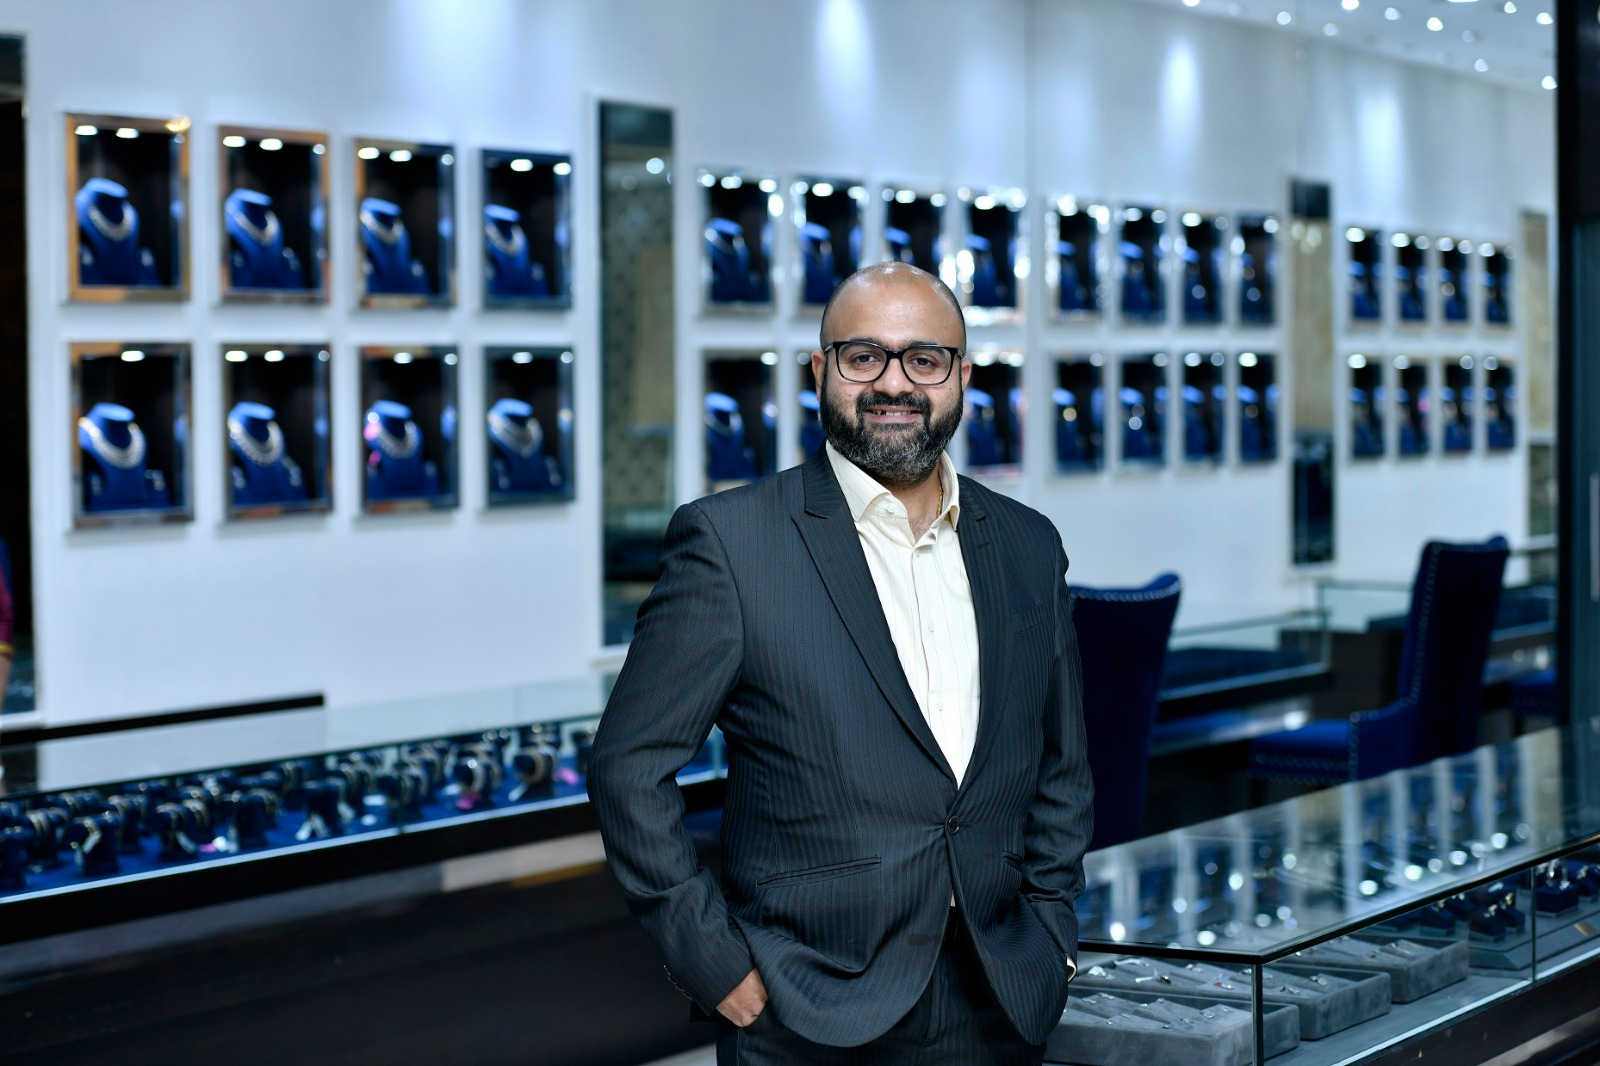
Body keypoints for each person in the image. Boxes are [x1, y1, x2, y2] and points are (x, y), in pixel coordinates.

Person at [588, 262, 1093, 1065]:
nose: (894, 383)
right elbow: (628, 766)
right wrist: (714, 964)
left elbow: (1062, 764)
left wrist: (1052, 927)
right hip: (805, 1012)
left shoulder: (1028, 544)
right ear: (820, 372)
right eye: (864, 357)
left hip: (999, 1002)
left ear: (963, 377)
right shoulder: (731, 544)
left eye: (924, 359)